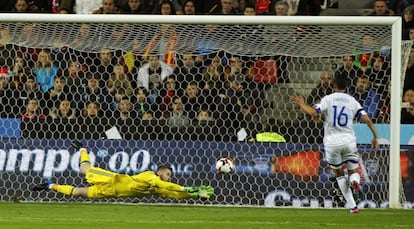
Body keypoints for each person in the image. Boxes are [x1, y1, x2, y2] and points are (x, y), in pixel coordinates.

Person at [290, 74, 379, 214]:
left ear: (333, 86)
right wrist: (375, 137)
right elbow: (367, 119)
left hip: (332, 143)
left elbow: (314, 112)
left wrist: (302, 103)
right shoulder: (352, 100)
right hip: (348, 140)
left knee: (339, 174)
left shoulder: (327, 99)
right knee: (353, 171)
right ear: (347, 88)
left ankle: (353, 206)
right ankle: (355, 181)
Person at [32, 141, 214, 200]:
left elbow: (173, 194)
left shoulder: (158, 188)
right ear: (159, 172)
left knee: (79, 192)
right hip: (113, 180)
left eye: (170, 176)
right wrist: (185, 188)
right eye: (167, 174)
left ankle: (50, 185)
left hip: (111, 192)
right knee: (84, 168)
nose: (168, 177)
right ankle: (83, 148)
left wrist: (194, 194)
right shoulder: (150, 177)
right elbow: (164, 185)